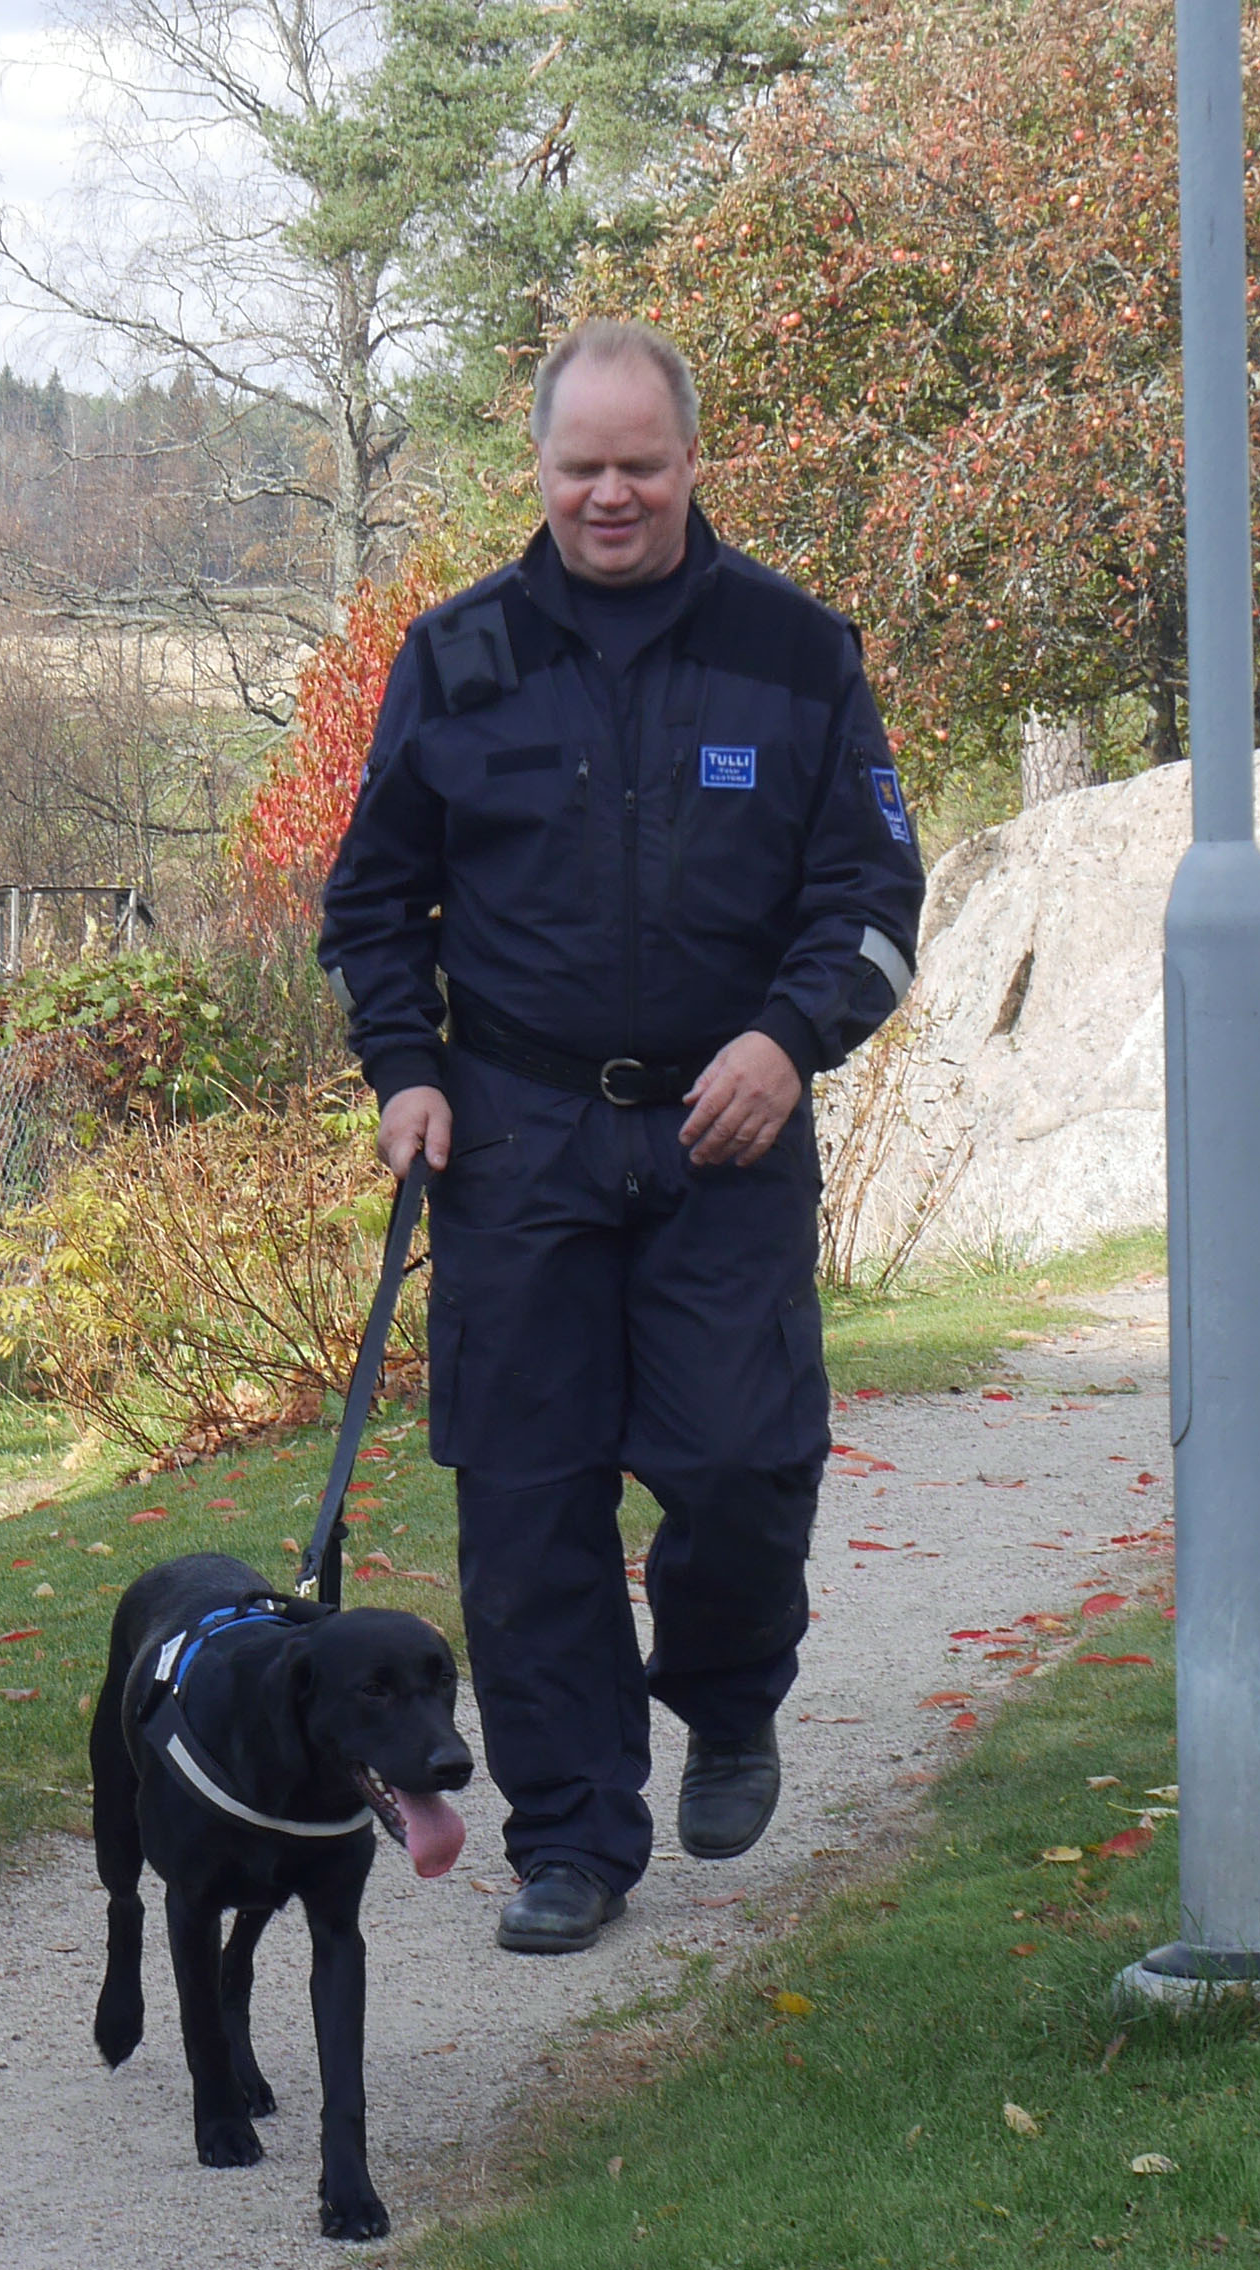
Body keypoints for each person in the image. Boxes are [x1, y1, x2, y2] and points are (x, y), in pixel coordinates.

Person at [317, 319, 927, 1955]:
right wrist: (404, 1072)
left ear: (690, 463)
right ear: (537, 467)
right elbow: (374, 903)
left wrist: (789, 1043)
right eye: (579, 467)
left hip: (727, 1134)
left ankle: (728, 1698)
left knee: (738, 1465)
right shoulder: (454, 660)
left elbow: (874, 898)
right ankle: (571, 1841)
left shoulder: (799, 656)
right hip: (514, 1138)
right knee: (529, 1503)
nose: (608, 496)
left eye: (638, 467)